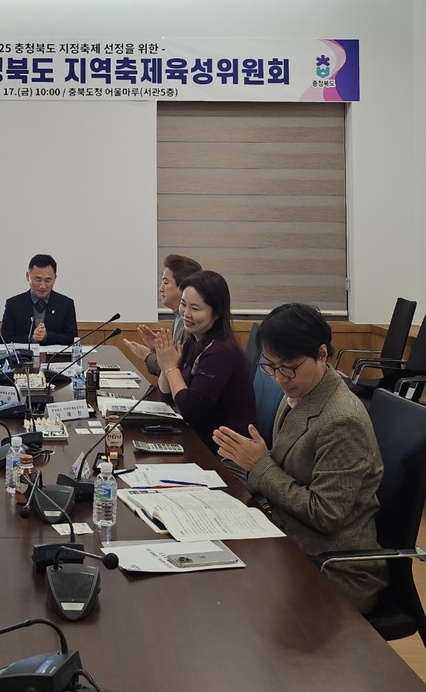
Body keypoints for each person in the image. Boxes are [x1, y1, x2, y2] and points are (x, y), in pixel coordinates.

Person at [212, 303, 388, 614]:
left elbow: (326, 514)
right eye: (271, 366)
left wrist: (259, 465)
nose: (280, 378)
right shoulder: (301, 391)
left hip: (334, 569)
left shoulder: (342, 420)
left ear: (322, 354)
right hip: (291, 542)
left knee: (230, 604)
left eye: (289, 367)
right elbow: (282, 464)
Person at [150, 269, 255, 448]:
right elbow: (167, 397)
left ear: (217, 313)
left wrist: (170, 368)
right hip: (198, 439)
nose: (186, 313)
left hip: (224, 451)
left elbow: (191, 411)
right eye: (183, 304)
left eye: (195, 308)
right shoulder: (193, 341)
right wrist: (165, 363)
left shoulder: (221, 352)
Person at [125, 254, 202, 375]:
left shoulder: (191, 324)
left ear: (183, 287)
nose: (160, 289)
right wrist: (159, 347)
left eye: (166, 283)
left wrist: (147, 355)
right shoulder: (178, 318)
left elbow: (175, 370)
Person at [1, 254, 78, 347]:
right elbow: (4, 339)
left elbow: (72, 339)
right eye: (38, 280)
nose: (43, 286)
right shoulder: (13, 304)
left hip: (55, 356)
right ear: (27, 276)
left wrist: (46, 336)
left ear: (55, 278)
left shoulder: (66, 304)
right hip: (22, 356)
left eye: (47, 280)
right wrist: (31, 339)